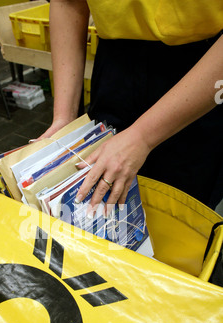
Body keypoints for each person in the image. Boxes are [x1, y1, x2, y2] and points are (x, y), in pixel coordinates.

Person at [39, 0, 223, 213]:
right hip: (115, 66)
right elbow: (68, 3)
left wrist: (142, 137)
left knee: (181, 211)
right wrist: (64, 120)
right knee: (99, 203)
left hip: (202, 76)